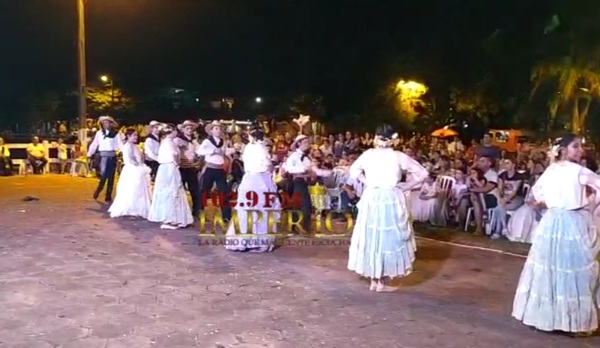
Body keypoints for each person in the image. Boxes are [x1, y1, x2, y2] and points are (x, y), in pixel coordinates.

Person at [512, 133, 600, 337]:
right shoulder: (579, 171)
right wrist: (590, 200)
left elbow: (535, 195)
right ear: (563, 150)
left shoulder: (552, 170)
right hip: (571, 221)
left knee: (550, 269)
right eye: (575, 147)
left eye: (580, 147)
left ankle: (545, 318)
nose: (580, 150)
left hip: (552, 221)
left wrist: (556, 201)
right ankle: (572, 322)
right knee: (573, 270)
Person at [347, 124, 428, 293]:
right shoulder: (397, 156)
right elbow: (422, 174)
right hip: (390, 196)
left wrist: (367, 181)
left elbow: (354, 171)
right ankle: (381, 282)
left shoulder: (368, 155)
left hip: (372, 196)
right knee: (387, 237)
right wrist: (406, 187)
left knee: (373, 236)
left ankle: (375, 280)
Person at [225, 124, 280, 252]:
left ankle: (245, 240)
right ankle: (258, 241)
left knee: (248, 208)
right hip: (260, 179)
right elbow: (266, 164)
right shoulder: (261, 148)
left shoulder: (249, 147)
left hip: (249, 179)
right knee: (262, 208)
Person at [282, 134, 331, 234]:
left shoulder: (307, 157)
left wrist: (329, 172)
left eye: (308, 143)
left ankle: (298, 227)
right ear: (298, 144)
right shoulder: (294, 156)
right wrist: (303, 170)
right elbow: (288, 168)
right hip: (297, 182)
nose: (307, 145)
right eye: (305, 143)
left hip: (303, 183)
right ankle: (301, 228)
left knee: (300, 205)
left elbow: (315, 170)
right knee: (303, 205)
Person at [148, 124, 194, 230]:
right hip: (169, 168)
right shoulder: (168, 143)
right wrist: (177, 160)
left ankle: (178, 218)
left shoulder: (168, 142)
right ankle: (170, 218)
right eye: (174, 131)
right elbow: (174, 156)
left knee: (175, 190)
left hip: (170, 168)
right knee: (171, 191)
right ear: (171, 132)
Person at [108, 128, 152, 219]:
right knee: (134, 189)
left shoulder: (131, 145)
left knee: (136, 190)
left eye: (136, 135)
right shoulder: (130, 146)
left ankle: (134, 209)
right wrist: (139, 164)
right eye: (134, 135)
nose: (136, 137)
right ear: (128, 136)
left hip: (133, 169)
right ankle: (133, 209)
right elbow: (133, 159)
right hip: (133, 170)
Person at [197, 121, 235, 223]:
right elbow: (199, 151)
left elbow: (225, 152)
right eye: (216, 129)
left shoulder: (224, 141)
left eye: (219, 129)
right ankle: (200, 213)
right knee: (204, 191)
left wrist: (232, 150)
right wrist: (212, 151)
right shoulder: (207, 141)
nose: (218, 131)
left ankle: (226, 216)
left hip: (220, 169)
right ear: (211, 131)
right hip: (210, 168)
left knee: (224, 192)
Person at [87, 116, 123, 203]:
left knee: (111, 177)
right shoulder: (99, 133)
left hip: (112, 155)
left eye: (107, 122)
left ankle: (108, 196)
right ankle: (99, 189)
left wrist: (124, 153)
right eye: (103, 123)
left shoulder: (116, 133)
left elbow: (120, 145)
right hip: (102, 156)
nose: (105, 124)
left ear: (111, 123)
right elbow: (95, 143)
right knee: (103, 174)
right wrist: (89, 153)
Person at [174, 120, 202, 219]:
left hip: (191, 167)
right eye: (187, 128)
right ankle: (178, 211)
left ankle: (196, 211)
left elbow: (199, 150)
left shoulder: (194, 141)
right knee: (179, 189)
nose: (189, 130)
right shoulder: (178, 139)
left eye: (191, 128)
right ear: (183, 129)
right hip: (181, 167)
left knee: (195, 190)